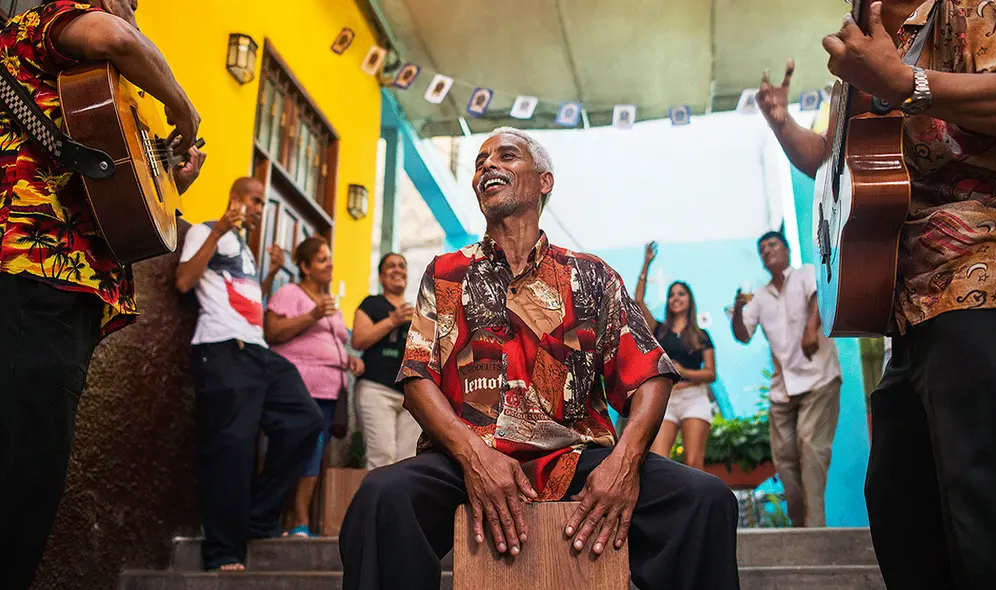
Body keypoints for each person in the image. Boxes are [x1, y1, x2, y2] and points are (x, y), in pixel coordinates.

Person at [339, 127, 739, 590]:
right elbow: (417, 377)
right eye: (479, 160)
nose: (487, 165)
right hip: (466, 458)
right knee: (380, 498)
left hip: (574, 454)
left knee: (705, 500)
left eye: (506, 156)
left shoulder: (590, 275)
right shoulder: (447, 273)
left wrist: (625, 463)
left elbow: (650, 372)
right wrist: (472, 456)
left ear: (544, 182)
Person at [759, 1, 996, 586]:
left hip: (979, 286)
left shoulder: (968, 8)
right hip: (906, 309)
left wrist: (908, 83)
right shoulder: (865, 39)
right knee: (899, 506)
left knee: (980, 510)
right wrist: (781, 122)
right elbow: (832, 160)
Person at [0, 2, 204, 588]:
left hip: (62, 291)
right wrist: (182, 105)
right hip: (32, 276)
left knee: (32, 469)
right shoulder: (50, 24)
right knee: (24, 472)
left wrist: (165, 175)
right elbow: (112, 35)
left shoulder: (98, 87)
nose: (132, 11)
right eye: (129, 0)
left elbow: (127, 205)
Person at [175, 178, 323, 572]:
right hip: (222, 349)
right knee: (232, 448)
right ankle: (223, 551)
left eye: (262, 202)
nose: (259, 208)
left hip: (256, 351)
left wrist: (271, 273)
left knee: (305, 421)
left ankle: (256, 519)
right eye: (254, 200)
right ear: (235, 198)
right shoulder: (208, 232)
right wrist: (220, 228)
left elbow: (243, 299)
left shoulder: (243, 248)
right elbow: (185, 279)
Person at [730, 231, 842, 528]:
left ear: (787, 249)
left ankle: (815, 530)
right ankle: (799, 528)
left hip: (819, 377)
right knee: (784, 460)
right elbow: (743, 335)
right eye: (762, 249)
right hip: (783, 389)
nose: (767, 251)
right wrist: (738, 309)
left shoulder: (805, 273)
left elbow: (818, 295)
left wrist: (810, 328)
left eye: (773, 245)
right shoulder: (760, 295)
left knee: (811, 445)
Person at [264, 235, 364, 537]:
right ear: (305, 267)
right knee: (292, 451)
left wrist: (347, 359)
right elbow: (273, 331)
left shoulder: (330, 301)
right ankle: (288, 519)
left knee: (315, 453)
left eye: (329, 257)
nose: (330, 263)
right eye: (322, 259)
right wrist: (312, 315)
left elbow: (329, 341)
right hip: (298, 388)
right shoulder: (290, 293)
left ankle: (299, 520)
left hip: (329, 391)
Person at [634, 242, 717, 468]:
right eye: (672, 295)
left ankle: (695, 503)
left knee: (693, 463)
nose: (676, 298)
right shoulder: (660, 330)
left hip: (694, 397)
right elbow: (638, 302)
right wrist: (646, 264)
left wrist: (684, 371)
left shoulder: (701, 335)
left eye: (681, 294)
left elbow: (711, 374)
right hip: (666, 399)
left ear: (689, 299)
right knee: (659, 462)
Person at [351, 252, 419, 469]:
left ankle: (399, 504)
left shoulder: (417, 311)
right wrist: (392, 320)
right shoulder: (372, 304)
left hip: (410, 395)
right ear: (381, 277)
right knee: (382, 456)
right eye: (391, 266)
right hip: (376, 389)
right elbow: (358, 340)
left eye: (402, 265)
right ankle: (377, 504)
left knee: (407, 460)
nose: (397, 269)